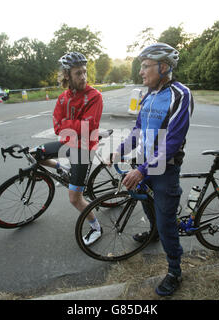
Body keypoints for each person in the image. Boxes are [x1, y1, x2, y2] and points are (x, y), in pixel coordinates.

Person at [109, 43, 194, 296]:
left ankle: (174, 271)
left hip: (165, 170)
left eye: (146, 66)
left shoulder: (180, 94)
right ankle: (153, 232)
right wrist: (121, 149)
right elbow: (138, 130)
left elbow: (172, 141)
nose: (141, 72)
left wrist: (142, 171)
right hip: (146, 165)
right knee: (146, 202)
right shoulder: (148, 95)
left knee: (168, 220)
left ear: (164, 67)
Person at [36, 52, 104, 245]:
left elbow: (87, 127)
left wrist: (68, 123)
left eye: (84, 72)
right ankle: (62, 168)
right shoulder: (63, 98)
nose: (83, 77)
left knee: (74, 199)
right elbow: (57, 126)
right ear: (67, 75)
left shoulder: (94, 96)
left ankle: (96, 227)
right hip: (68, 143)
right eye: (78, 73)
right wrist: (71, 124)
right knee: (36, 154)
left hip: (83, 147)